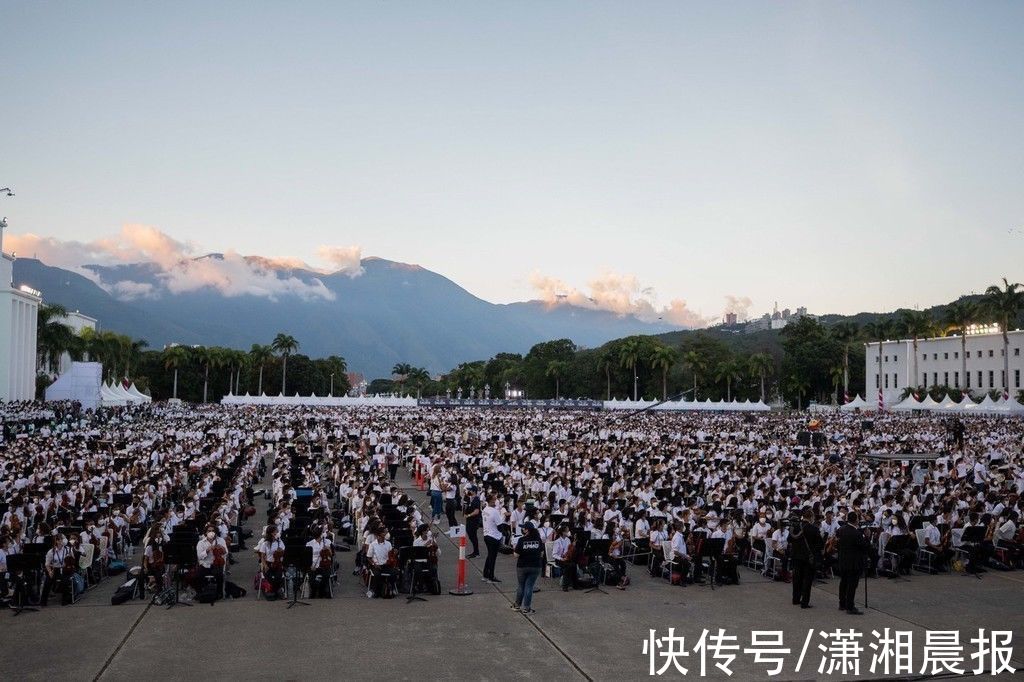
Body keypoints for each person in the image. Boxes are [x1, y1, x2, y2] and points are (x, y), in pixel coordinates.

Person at [836, 511, 870, 615]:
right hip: (854, 562)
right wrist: (867, 537)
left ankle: (842, 603)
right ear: (856, 520)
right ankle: (850, 606)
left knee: (843, 583)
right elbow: (864, 547)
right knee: (851, 585)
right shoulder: (856, 533)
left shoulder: (841, 530)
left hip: (843, 560)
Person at [789, 509, 823, 609]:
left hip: (796, 556)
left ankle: (795, 599)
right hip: (808, 558)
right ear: (811, 517)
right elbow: (820, 544)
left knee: (797, 578)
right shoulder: (814, 529)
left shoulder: (795, 527)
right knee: (807, 580)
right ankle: (805, 602)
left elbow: (789, 539)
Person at [512, 522, 544, 614]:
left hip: (522, 566)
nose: (523, 529)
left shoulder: (522, 540)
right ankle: (527, 608)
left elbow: (516, 554)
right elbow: (541, 553)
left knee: (521, 586)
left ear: (526, 530)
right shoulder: (538, 540)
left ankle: (517, 605)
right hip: (535, 566)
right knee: (529, 586)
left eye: (524, 528)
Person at [481, 494, 504, 583]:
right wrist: (503, 532)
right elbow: (499, 526)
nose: (496, 501)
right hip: (494, 536)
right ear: (490, 501)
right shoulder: (494, 512)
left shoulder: (485, 510)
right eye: (494, 500)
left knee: (489, 556)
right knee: (492, 557)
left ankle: (485, 574)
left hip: (486, 535)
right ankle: (491, 576)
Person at [464, 485, 482, 558]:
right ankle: (475, 551)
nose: (469, 491)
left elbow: (476, 511)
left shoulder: (476, 500)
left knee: (473, 536)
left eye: (470, 490)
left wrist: (469, 515)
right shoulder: (471, 499)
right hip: (469, 521)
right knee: (471, 535)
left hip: (473, 521)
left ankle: (476, 552)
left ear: (474, 491)